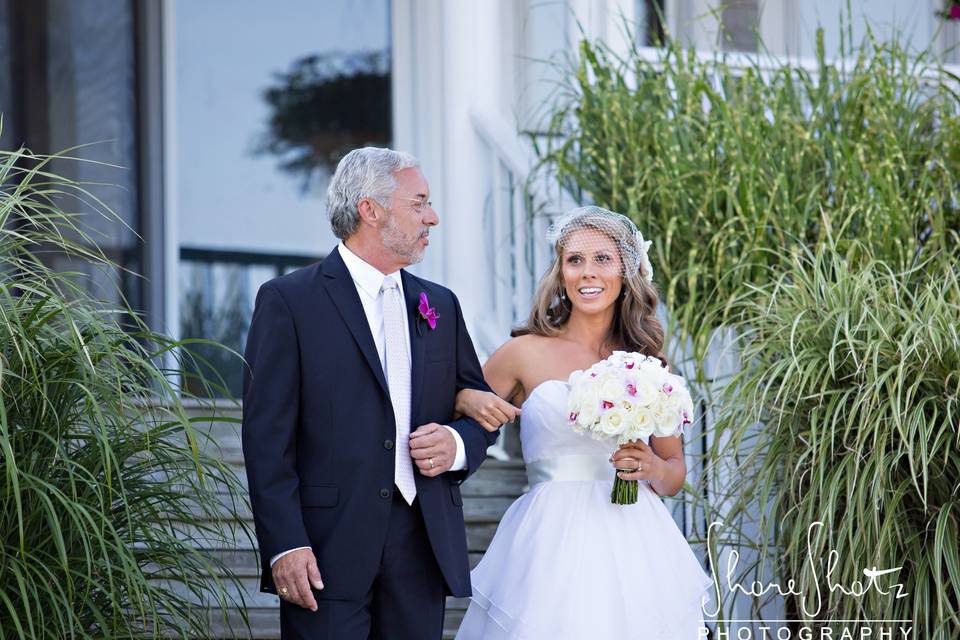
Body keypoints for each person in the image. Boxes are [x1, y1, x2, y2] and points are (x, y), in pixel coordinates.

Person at [241, 147, 501, 639]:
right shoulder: (289, 301)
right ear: (371, 209)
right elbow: (265, 438)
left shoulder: (439, 304)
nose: (433, 217)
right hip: (325, 549)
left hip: (421, 545)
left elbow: (477, 407)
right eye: (420, 202)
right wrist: (285, 544)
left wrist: (458, 445)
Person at [453, 206, 711, 639]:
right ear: (561, 271)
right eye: (575, 259)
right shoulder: (523, 353)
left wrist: (650, 467)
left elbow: (673, 475)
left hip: (633, 538)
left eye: (602, 259)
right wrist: (463, 394)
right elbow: (459, 416)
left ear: (626, 271)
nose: (587, 273)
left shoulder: (649, 368)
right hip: (547, 541)